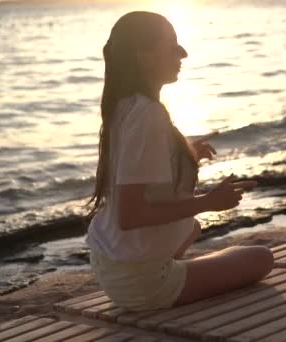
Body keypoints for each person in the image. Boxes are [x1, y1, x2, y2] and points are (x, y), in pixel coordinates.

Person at [85, 11, 273, 311]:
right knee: (262, 258)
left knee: (193, 228)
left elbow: (133, 166)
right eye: (172, 45)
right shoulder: (148, 114)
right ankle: (170, 276)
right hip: (142, 282)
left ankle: (174, 270)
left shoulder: (123, 105)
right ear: (144, 56)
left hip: (109, 263)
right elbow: (130, 215)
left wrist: (183, 153)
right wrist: (209, 202)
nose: (182, 53)